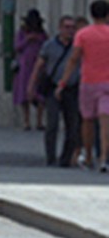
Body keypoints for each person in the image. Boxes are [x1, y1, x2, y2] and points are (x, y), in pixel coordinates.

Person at [58, 0, 109, 172]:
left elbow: (74, 59)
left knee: (87, 120)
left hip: (88, 82)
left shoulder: (83, 35)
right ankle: (103, 157)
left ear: (91, 14)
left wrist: (63, 82)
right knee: (105, 121)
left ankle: (88, 156)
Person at [29, 14, 80, 168]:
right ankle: (51, 157)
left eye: (72, 28)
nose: (70, 31)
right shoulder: (49, 45)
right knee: (52, 124)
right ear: (60, 28)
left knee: (72, 125)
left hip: (72, 88)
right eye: (67, 27)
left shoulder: (78, 46)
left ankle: (65, 159)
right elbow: (39, 66)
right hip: (53, 88)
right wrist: (31, 85)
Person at [13, 9, 47, 131]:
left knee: (40, 93)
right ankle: (26, 121)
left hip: (39, 64)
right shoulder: (22, 32)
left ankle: (39, 121)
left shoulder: (42, 33)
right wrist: (27, 39)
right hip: (25, 65)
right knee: (24, 92)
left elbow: (46, 46)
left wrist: (38, 39)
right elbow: (17, 47)